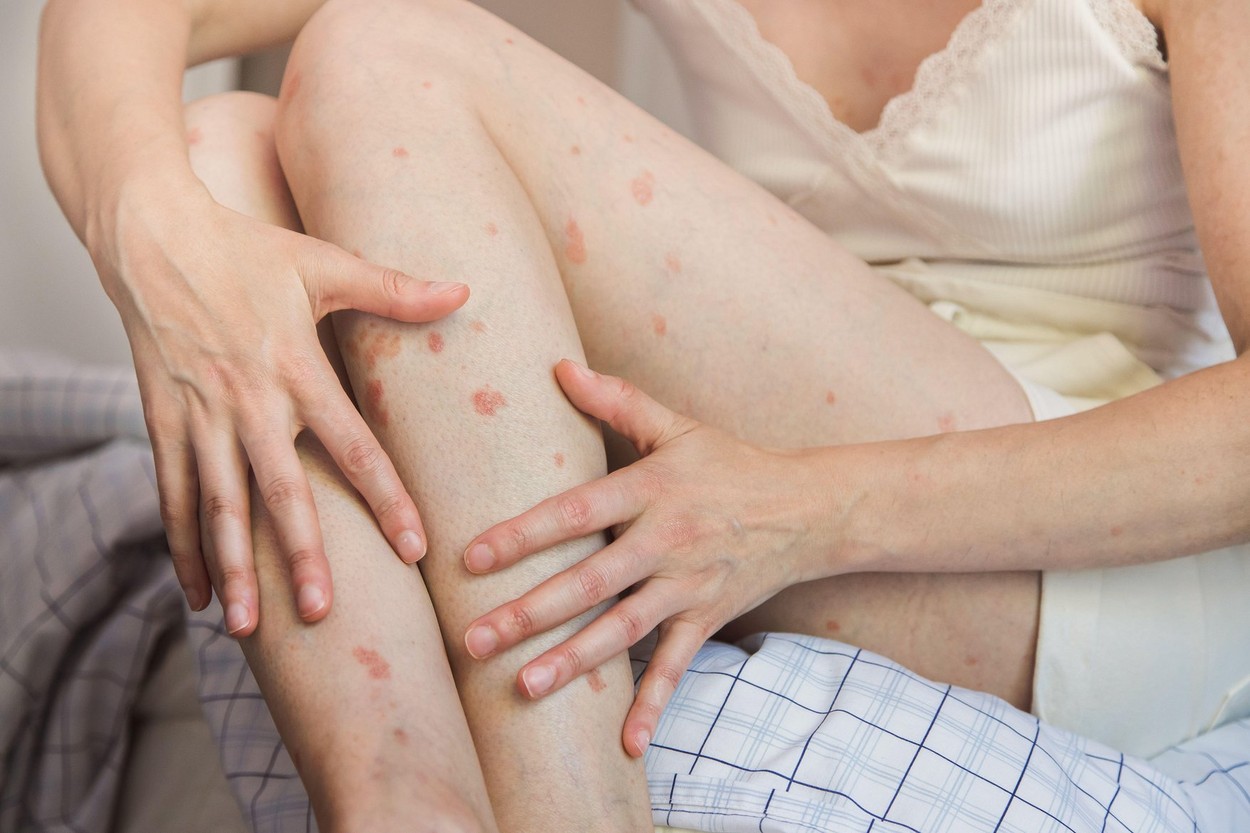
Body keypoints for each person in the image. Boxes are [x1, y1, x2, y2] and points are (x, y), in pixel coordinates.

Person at [35, 0, 1250, 829]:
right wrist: (155, 237)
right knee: (215, 157)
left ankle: (574, 810)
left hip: (1086, 555)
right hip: (729, 460)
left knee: (378, 47)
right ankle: (406, 807)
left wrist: (800, 510)